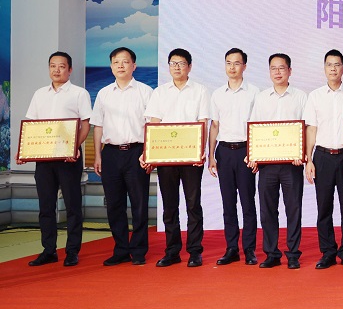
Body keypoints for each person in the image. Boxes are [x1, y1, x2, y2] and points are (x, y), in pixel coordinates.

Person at [21, 51, 91, 267]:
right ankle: (49, 250)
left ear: (70, 69)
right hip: (44, 158)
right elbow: (32, 126)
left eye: (61, 66)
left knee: (72, 205)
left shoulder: (79, 94)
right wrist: (24, 151)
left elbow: (85, 125)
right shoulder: (39, 94)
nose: (57, 70)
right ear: (49, 68)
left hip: (69, 158)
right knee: (46, 206)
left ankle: (72, 251)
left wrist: (75, 147)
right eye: (53, 66)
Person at [144, 48, 211, 268]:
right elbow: (154, 123)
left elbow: (203, 123)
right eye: (173, 63)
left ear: (189, 67)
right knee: (169, 206)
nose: (177, 67)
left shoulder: (200, 91)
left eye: (181, 63)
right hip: (166, 158)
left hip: (191, 157)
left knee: (193, 204)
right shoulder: (159, 93)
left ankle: (195, 251)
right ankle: (172, 251)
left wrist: (201, 151)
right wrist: (149, 153)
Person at [91, 47, 154, 266]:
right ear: (111, 66)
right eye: (116, 62)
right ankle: (120, 249)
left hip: (137, 152)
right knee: (114, 204)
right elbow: (98, 126)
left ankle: (139, 250)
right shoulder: (103, 93)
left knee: (139, 203)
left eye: (125, 62)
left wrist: (149, 154)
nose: (120, 65)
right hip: (110, 153)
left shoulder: (145, 92)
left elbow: (152, 126)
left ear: (134, 66)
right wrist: (97, 155)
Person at [304, 49, 343, 269]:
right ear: (324, 68)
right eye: (329, 65)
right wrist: (309, 160)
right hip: (322, 157)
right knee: (324, 207)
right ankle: (327, 252)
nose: (333, 69)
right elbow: (311, 129)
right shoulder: (315, 96)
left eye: (337, 65)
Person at [251, 53, 308, 268]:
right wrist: (254, 156)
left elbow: (306, 128)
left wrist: (302, 154)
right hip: (267, 164)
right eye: (273, 68)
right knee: (267, 210)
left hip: (292, 164)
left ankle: (293, 254)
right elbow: (255, 128)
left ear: (289, 71)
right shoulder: (261, 98)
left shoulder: (301, 97)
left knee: (293, 209)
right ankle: (271, 253)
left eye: (282, 68)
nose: (277, 72)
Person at [208, 48, 260, 266]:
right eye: (228, 63)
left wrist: (255, 154)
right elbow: (215, 126)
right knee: (228, 202)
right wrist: (211, 155)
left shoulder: (255, 93)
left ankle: (249, 249)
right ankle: (231, 248)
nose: (232, 67)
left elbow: (257, 126)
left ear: (244, 66)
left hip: (245, 151)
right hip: (224, 152)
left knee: (248, 202)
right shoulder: (217, 94)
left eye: (237, 63)